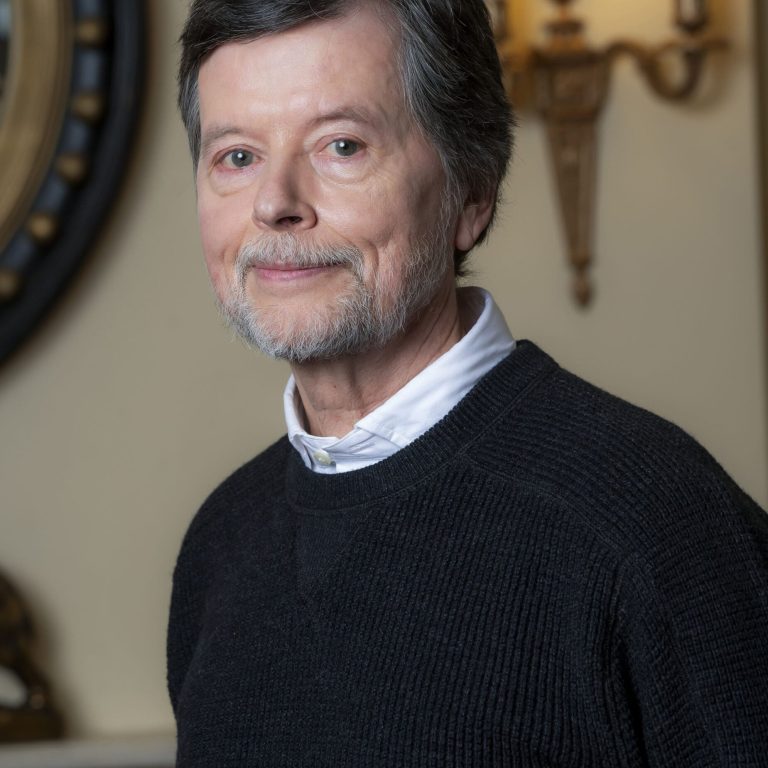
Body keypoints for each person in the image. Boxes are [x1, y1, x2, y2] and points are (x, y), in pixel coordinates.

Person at [167, 1, 768, 765]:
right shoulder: (221, 544)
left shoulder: (655, 522)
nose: (275, 202)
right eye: (237, 157)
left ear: (471, 192)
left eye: (341, 145)